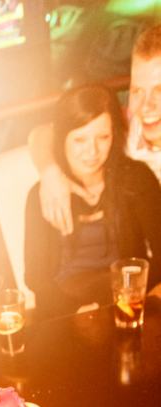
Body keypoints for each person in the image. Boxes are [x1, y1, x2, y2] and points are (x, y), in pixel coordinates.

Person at [24, 84, 161, 319]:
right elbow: (36, 277)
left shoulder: (136, 179)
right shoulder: (43, 194)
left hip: (128, 304)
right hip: (64, 313)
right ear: (62, 139)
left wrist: (134, 294)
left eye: (103, 137)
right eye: (80, 139)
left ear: (114, 135)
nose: (92, 151)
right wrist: (75, 313)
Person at [30, 23, 161, 237]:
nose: (146, 106)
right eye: (137, 91)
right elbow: (42, 134)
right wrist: (50, 172)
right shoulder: (129, 125)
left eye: (159, 91)